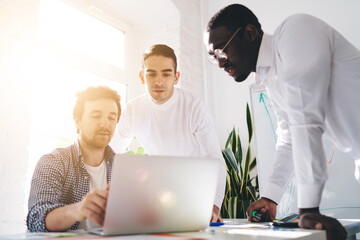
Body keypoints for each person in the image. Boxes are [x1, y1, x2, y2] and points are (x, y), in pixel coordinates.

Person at [205, 4, 360, 240]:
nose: (220, 63)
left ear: (248, 34)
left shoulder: (295, 31)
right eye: (213, 57)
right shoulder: (270, 78)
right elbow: (288, 139)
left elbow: (306, 117)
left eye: (222, 51)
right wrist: (270, 196)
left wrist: (308, 210)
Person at [110, 44, 226, 222]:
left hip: (195, 193)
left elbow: (215, 160)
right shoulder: (133, 109)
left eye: (166, 74)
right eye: (151, 74)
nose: (159, 81)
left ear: (176, 77)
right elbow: (112, 152)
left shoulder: (195, 107)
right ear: (142, 77)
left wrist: (213, 207)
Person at [27, 86, 121, 232]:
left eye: (112, 117)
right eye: (96, 116)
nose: (105, 124)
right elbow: (36, 218)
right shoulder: (53, 162)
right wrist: (78, 210)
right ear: (77, 122)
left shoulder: (123, 166)